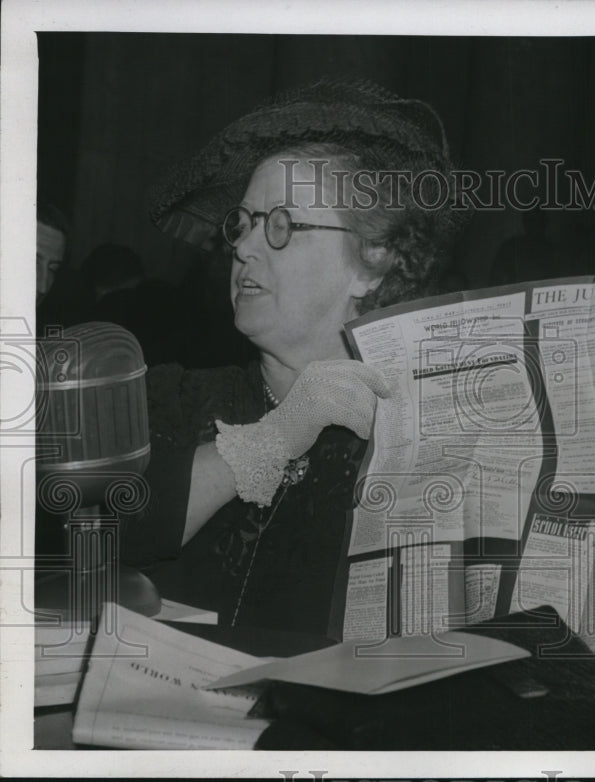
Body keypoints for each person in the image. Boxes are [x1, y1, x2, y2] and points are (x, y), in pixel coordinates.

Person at [122, 80, 464, 635]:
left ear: (371, 262)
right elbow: (75, 535)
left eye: (282, 225)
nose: (244, 247)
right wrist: (279, 433)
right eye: (243, 223)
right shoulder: (170, 399)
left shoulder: (424, 434)